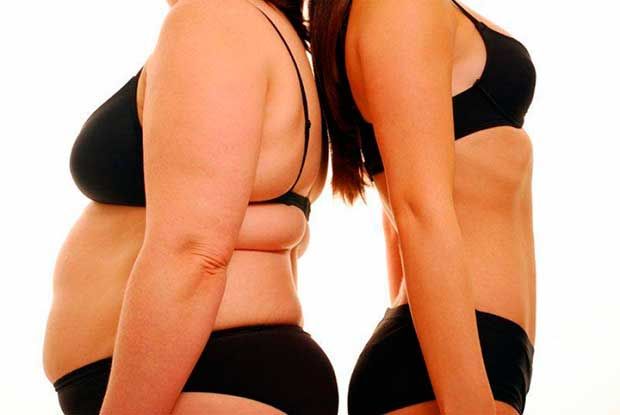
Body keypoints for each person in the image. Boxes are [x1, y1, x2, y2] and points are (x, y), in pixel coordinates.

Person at [43, 1, 338, 414]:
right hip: (214, 372)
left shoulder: (213, 19)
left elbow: (194, 253)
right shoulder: (263, 30)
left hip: (196, 377)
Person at [310, 0, 536, 414]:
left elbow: (398, 220)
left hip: (474, 353)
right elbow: (416, 210)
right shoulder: (398, 8)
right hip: (444, 365)